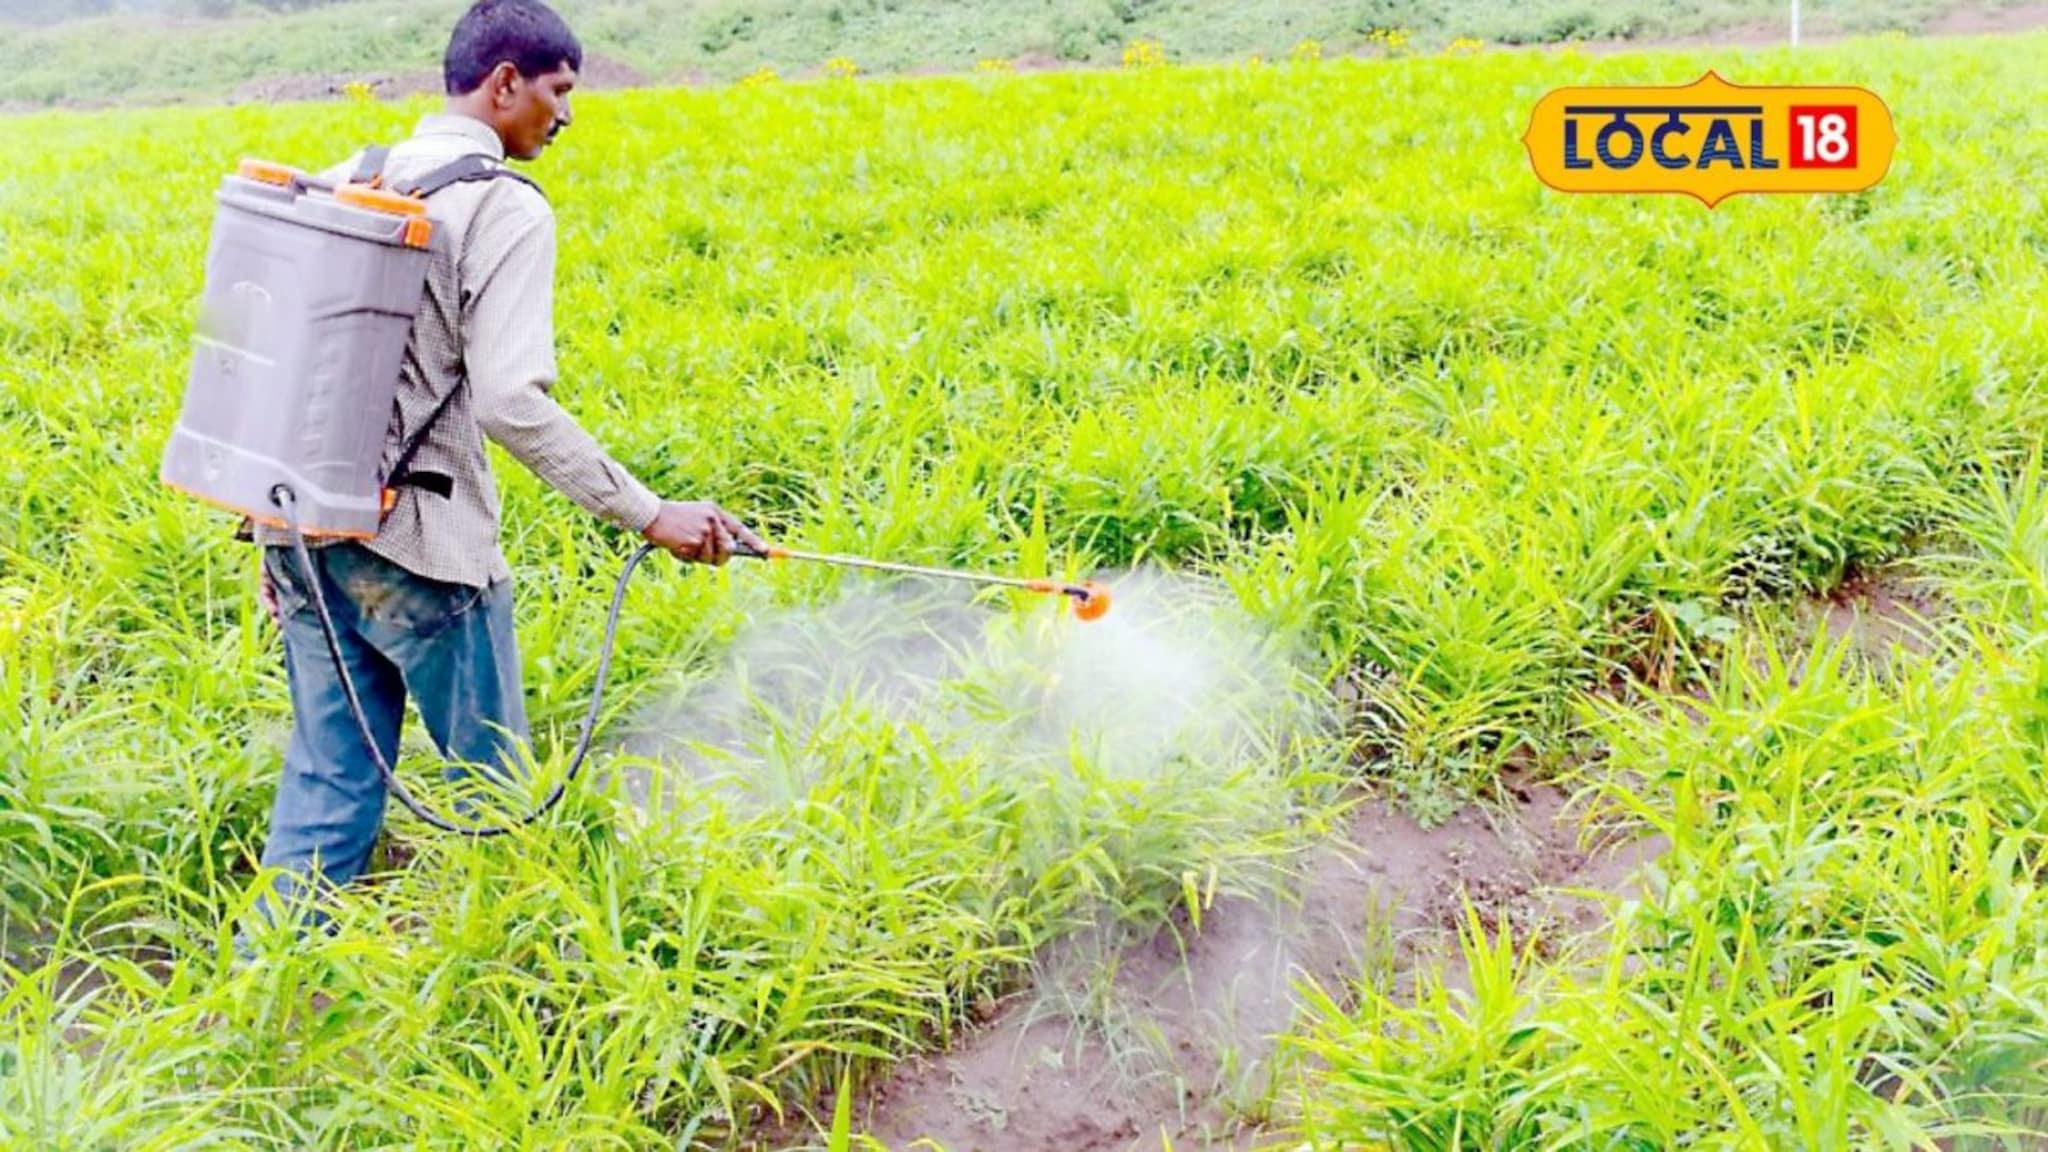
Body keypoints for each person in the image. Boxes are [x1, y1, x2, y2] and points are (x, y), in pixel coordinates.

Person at [241, 0, 761, 944]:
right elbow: (510, 401)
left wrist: (268, 536)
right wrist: (650, 514)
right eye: (559, 91)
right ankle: (535, 986)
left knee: (328, 782)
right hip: (423, 553)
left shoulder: (345, 179)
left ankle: (260, 1001)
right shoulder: (501, 205)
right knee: (499, 791)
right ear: (505, 83)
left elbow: (275, 371)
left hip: (302, 535)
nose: (565, 116)